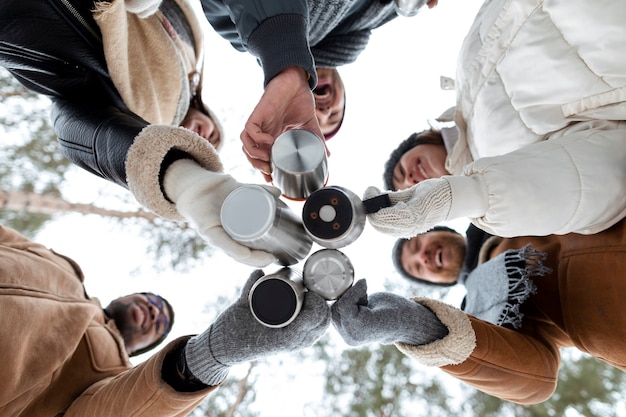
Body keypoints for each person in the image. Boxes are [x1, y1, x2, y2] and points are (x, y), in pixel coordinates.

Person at [0, 0, 279, 267]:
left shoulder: (141, 117)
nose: (205, 138)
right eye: (214, 136)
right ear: (208, 114)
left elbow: (75, 123)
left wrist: (183, 179)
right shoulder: (195, 51)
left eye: (203, 145)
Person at [0, 223, 330, 416]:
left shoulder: (112, 377)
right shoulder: (66, 268)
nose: (155, 311)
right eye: (153, 301)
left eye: (159, 324)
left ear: (143, 349)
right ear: (125, 296)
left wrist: (211, 354)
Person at [366, 0, 626, 239]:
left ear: (418, 141)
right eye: (407, 189)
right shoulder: (501, 167)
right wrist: (470, 195)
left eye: (402, 169)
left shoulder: (462, 79)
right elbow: (596, 174)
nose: (410, 178)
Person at [331, 218, 626, 404]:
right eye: (417, 267)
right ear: (435, 282)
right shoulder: (478, 316)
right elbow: (537, 381)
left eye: (417, 242)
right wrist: (413, 326)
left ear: (440, 229)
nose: (422, 255)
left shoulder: (497, 207)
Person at [199, 0, 439, 181]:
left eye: (317, 117)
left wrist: (286, 63)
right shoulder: (383, 15)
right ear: (342, 93)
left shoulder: (245, 32)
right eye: (334, 115)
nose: (322, 111)